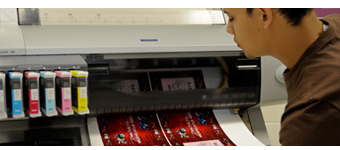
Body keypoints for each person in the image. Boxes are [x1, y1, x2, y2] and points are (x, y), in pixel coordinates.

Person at [223, 8, 340, 146]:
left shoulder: (309, 117)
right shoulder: (336, 21)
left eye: (231, 18)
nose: (229, 29)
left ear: (264, 15)